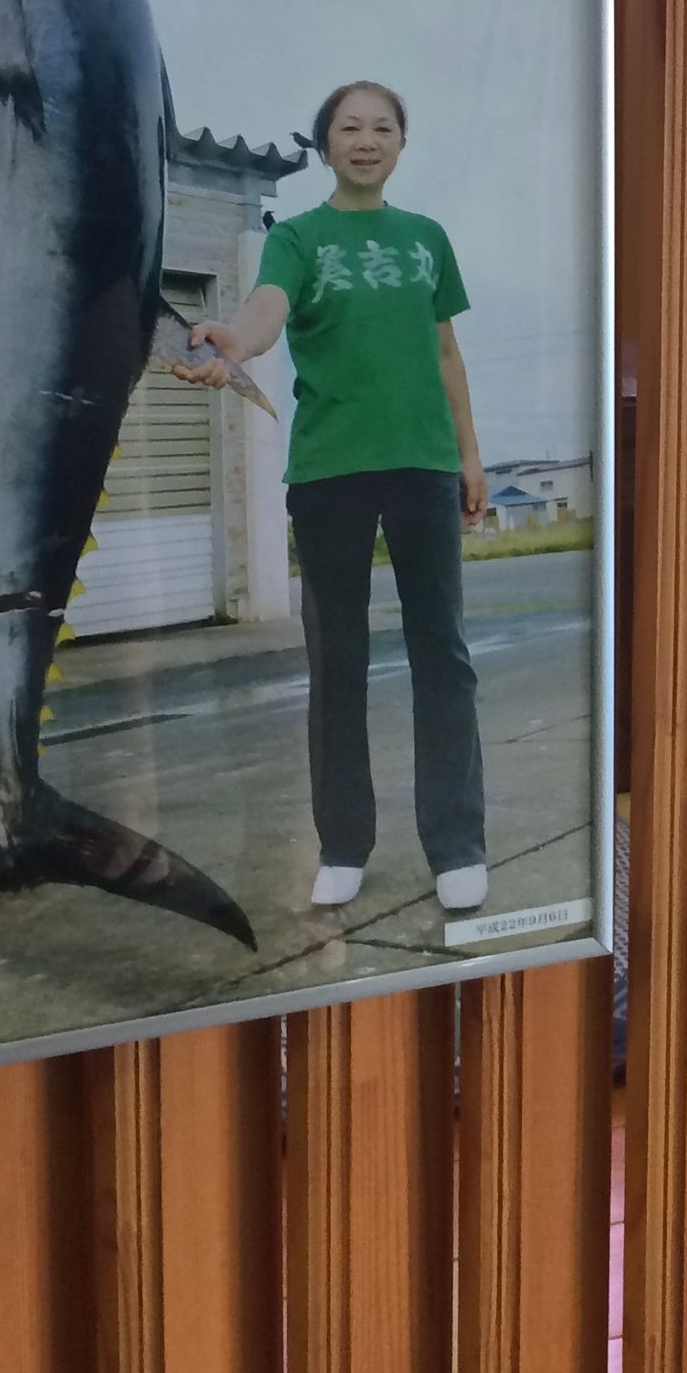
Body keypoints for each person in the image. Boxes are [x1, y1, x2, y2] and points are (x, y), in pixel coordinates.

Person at [178, 83, 494, 912]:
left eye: (383, 126)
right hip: (329, 474)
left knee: (444, 657)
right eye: (349, 127)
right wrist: (230, 342)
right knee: (339, 661)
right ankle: (344, 844)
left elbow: (447, 352)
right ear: (325, 145)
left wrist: (470, 454)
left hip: (424, 465)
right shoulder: (301, 239)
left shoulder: (426, 240)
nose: (366, 139)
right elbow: (266, 313)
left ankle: (457, 843)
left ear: (400, 143)